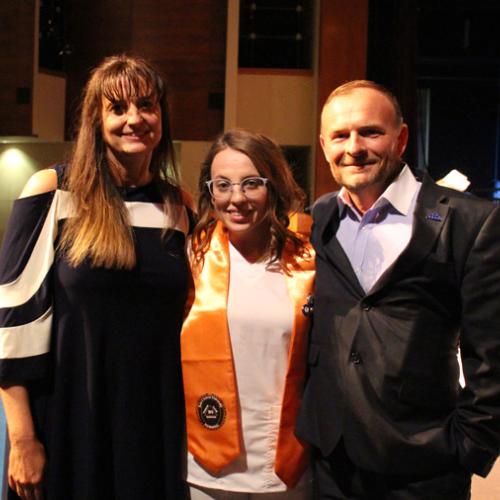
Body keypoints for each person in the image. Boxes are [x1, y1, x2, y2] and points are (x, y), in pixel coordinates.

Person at [296, 80, 500, 499]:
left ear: (401, 138)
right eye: (339, 135)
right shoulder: (318, 218)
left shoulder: (470, 220)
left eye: (370, 132)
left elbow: (492, 354)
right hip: (332, 463)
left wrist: (470, 447)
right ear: (323, 145)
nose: (353, 147)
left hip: (424, 467)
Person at [0, 55, 191, 499]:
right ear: (96, 119)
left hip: (155, 422)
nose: (135, 119)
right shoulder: (52, 192)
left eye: (147, 106)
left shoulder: (177, 207)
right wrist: (23, 439)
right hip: (69, 417)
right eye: (118, 108)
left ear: (162, 116)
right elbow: (13, 325)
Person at [181, 129, 315, 499]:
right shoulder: (191, 255)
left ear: (273, 185)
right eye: (222, 185)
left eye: (251, 184)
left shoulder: (308, 259)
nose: (236, 198)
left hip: (285, 464)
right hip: (208, 466)